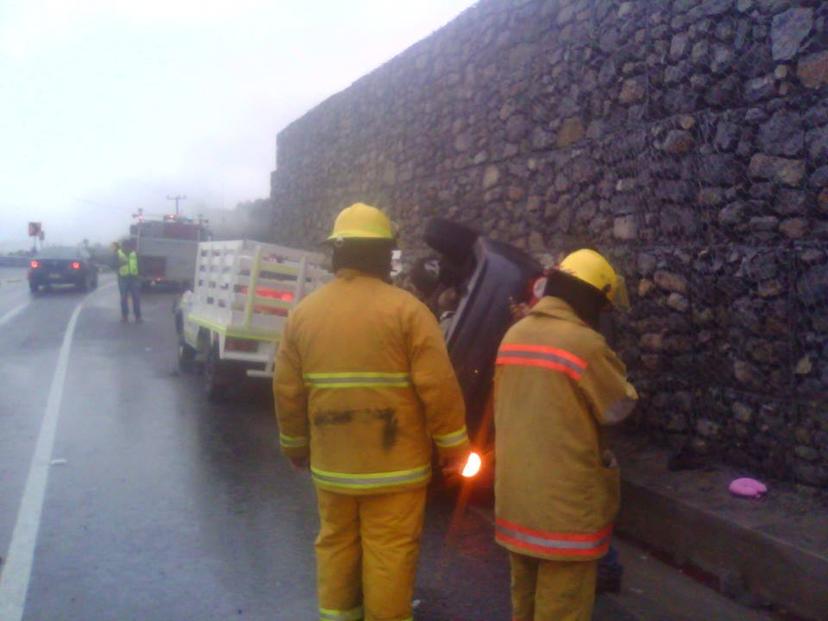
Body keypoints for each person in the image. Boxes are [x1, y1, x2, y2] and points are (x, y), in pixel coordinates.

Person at [273, 202, 470, 621]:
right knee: (390, 554)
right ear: (386, 255)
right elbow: (438, 387)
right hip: (396, 471)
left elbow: (287, 390)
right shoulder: (408, 311)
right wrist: (453, 447)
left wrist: (295, 446)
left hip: (332, 467)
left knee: (336, 545)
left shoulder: (304, 314)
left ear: (336, 253)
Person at [493, 248, 637, 621]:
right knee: (562, 608)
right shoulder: (584, 344)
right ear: (590, 299)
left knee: (523, 602)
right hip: (564, 513)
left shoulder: (515, 334)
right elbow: (617, 408)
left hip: (515, 500)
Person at [115, 240, 141, 322]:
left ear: (130, 247)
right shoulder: (118, 254)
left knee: (136, 297)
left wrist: (140, 275)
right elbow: (112, 264)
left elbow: (140, 264)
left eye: (128, 246)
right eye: (125, 246)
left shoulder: (135, 254)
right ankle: (124, 316)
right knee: (124, 298)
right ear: (122, 247)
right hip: (123, 278)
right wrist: (119, 264)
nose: (126, 248)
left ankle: (138, 317)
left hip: (134, 278)